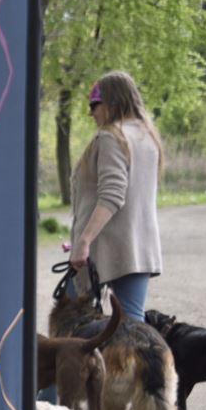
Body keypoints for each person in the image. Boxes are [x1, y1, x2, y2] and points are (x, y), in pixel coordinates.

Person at [70, 71, 162, 322]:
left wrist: (84, 240)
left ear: (112, 101)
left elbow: (112, 194)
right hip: (138, 248)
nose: (90, 113)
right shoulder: (146, 136)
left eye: (94, 104)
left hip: (104, 249)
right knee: (131, 325)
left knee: (70, 318)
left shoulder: (111, 137)